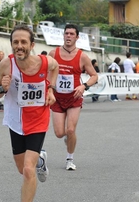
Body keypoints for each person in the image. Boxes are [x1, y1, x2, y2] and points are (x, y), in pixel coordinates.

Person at [0, 24, 59, 202]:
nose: (19, 46)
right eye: (15, 42)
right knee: (23, 168)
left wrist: (50, 88)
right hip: (15, 122)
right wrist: (2, 87)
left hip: (38, 120)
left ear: (32, 44)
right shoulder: (6, 64)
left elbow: (54, 69)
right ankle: (41, 160)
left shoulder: (46, 62)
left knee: (28, 171)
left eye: (23, 42)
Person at [48, 24, 98, 171]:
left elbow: (94, 76)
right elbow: (45, 71)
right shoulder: (53, 53)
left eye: (71, 34)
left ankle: (70, 159)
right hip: (57, 98)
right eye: (66, 33)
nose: (68, 36)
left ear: (77, 37)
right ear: (63, 36)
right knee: (59, 133)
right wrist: (49, 89)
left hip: (74, 98)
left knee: (70, 130)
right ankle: (69, 140)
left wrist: (84, 86)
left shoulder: (82, 56)